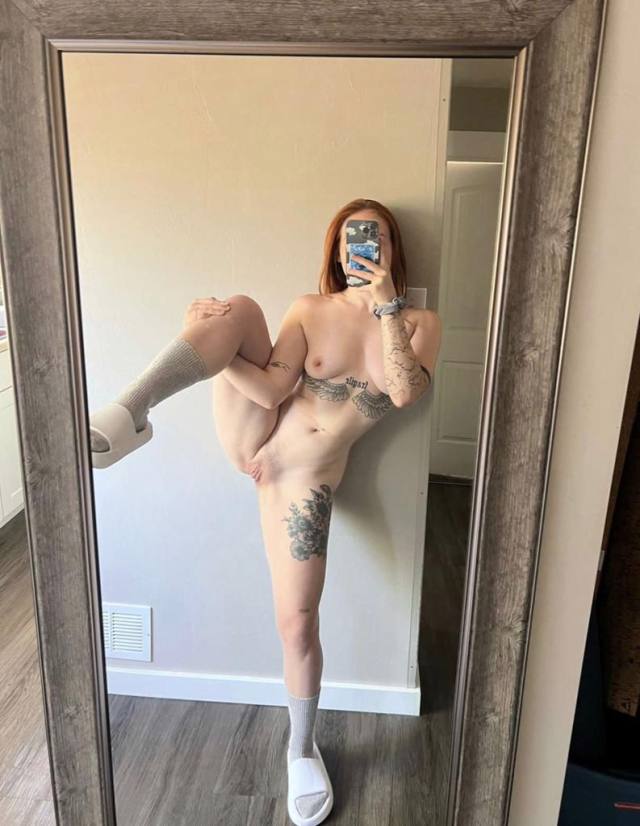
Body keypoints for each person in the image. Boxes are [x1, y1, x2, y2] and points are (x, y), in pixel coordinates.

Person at [89, 197, 442, 826]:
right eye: (350, 237)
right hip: (258, 432)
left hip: (302, 482)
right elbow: (275, 388)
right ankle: (131, 409)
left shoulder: (419, 323)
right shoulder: (311, 309)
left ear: (392, 249)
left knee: (297, 623)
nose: (361, 246)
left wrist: (386, 302)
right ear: (336, 251)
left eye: (375, 236)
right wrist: (214, 342)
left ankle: (300, 749)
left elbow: (404, 390)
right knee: (242, 309)